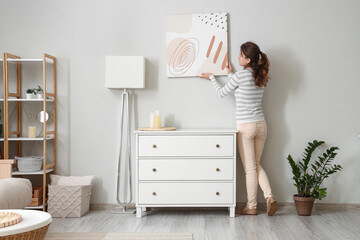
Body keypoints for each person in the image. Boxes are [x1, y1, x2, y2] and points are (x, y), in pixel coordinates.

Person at [199, 41, 277, 216]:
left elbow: (222, 92)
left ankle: (252, 206)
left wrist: (211, 78)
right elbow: (242, 88)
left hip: (246, 127)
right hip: (261, 125)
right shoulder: (261, 76)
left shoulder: (241, 77)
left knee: (250, 168)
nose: (238, 57)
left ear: (248, 60)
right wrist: (231, 74)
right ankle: (269, 196)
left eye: (241, 55)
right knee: (256, 165)